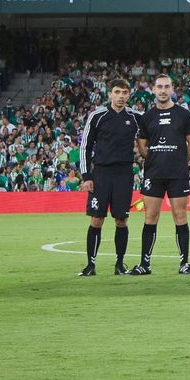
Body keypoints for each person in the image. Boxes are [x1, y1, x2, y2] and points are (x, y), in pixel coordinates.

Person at [130, 74, 190, 275]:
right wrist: (152, 159)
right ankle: (145, 264)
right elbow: (141, 144)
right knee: (150, 216)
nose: (163, 90)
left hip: (177, 174)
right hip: (154, 173)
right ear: (153, 89)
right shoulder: (147, 116)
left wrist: (182, 162)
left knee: (180, 215)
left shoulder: (183, 115)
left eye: (166, 86)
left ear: (172, 89)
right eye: (159, 87)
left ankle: (184, 263)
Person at [77, 79, 140, 276]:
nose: (121, 96)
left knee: (121, 220)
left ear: (129, 95)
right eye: (117, 92)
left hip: (124, 174)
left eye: (124, 92)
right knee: (97, 219)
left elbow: (151, 138)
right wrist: (86, 175)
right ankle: (90, 265)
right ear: (110, 94)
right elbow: (85, 146)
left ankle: (120, 264)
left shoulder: (136, 117)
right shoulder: (97, 116)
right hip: (101, 174)